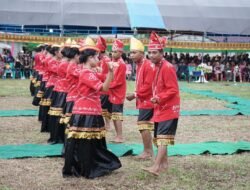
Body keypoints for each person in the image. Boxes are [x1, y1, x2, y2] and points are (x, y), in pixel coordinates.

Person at [63, 41, 121, 179]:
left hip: (91, 111)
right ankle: (87, 167)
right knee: (86, 143)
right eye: (97, 57)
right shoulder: (85, 73)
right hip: (86, 112)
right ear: (90, 58)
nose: (98, 60)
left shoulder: (88, 71)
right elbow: (104, 88)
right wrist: (111, 72)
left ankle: (93, 165)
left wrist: (108, 72)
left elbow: (105, 80)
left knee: (92, 142)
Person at [143, 31, 180, 176]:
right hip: (160, 107)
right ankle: (164, 164)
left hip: (169, 108)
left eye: (154, 52)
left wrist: (159, 97)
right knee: (159, 137)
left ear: (162, 53)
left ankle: (156, 166)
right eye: (150, 52)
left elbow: (173, 89)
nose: (151, 55)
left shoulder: (167, 67)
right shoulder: (158, 66)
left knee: (163, 138)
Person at [126, 37, 154, 159]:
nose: (131, 55)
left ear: (142, 54)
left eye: (134, 52)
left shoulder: (147, 65)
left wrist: (135, 94)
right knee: (143, 124)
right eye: (131, 52)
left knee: (143, 124)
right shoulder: (139, 65)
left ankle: (148, 152)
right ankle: (148, 151)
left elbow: (148, 85)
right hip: (143, 99)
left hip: (148, 99)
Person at [109, 39, 127, 143]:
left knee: (117, 114)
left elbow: (118, 81)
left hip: (118, 92)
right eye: (112, 51)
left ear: (120, 52)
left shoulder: (121, 64)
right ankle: (117, 135)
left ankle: (120, 136)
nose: (113, 53)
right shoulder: (113, 62)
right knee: (114, 115)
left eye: (115, 51)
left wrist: (107, 86)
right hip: (112, 91)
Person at [96, 36, 112, 131]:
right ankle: (105, 124)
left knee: (105, 108)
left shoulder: (106, 60)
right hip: (100, 86)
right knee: (103, 108)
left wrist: (98, 73)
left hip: (105, 87)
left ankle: (107, 124)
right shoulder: (101, 60)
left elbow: (106, 74)